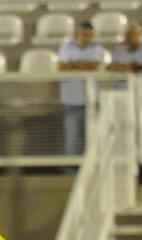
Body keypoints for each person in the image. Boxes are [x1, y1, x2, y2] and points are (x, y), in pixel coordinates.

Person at [57, 22, 105, 159]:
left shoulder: (98, 48)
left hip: (92, 101)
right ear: (77, 34)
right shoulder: (65, 47)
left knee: (92, 139)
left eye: (90, 35)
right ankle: (70, 172)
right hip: (70, 101)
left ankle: (92, 170)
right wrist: (84, 64)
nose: (87, 38)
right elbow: (61, 67)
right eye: (84, 34)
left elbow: (94, 66)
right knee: (72, 140)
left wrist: (73, 64)